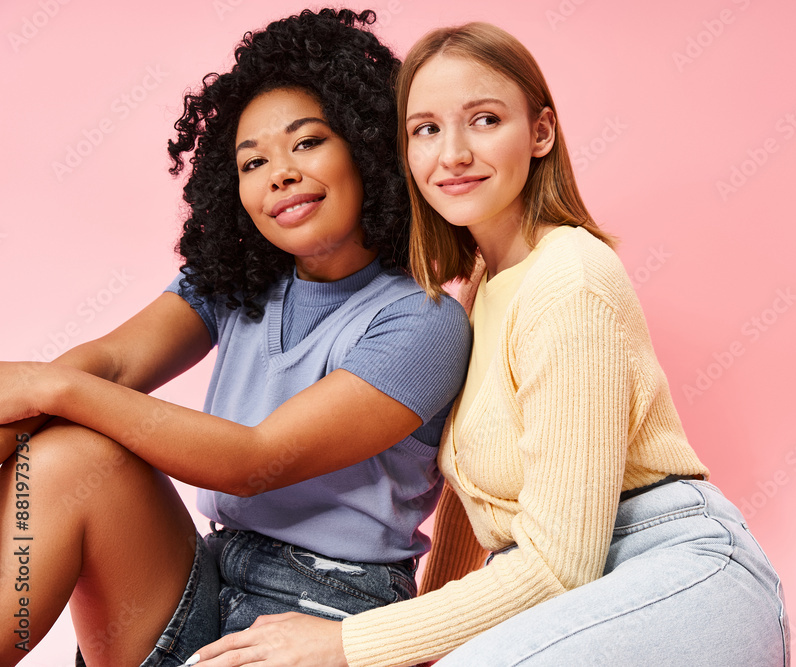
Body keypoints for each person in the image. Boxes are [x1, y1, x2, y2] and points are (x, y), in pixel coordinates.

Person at [193, 21, 790, 667]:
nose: (452, 154)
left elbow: (560, 565)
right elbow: (473, 520)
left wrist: (348, 642)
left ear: (541, 133)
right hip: (564, 589)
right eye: (426, 129)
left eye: (484, 120)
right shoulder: (481, 288)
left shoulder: (569, 278)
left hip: (670, 569)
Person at [0, 8, 470, 666]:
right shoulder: (236, 282)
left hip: (329, 611)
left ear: (367, 147)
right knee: (64, 452)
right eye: (253, 161)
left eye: (308, 143)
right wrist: (31, 400)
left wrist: (49, 385)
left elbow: (254, 461)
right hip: (210, 574)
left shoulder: (423, 322)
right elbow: (110, 365)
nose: (280, 173)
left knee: (66, 413)